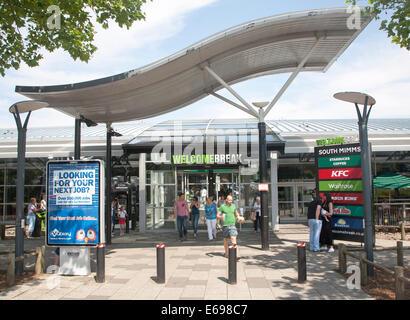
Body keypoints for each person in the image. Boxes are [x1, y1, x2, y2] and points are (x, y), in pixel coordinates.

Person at [217, 195, 243, 260]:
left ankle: (237, 253)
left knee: (233, 238)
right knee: (225, 239)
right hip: (225, 225)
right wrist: (221, 217)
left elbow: (236, 213)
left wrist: (239, 216)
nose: (230, 201)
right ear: (226, 200)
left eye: (231, 200)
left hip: (232, 225)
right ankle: (226, 252)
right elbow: (217, 215)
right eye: (229, 200)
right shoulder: (222, 206)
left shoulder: (233, 206)